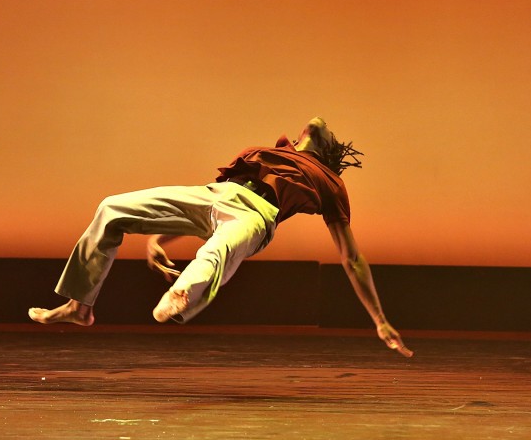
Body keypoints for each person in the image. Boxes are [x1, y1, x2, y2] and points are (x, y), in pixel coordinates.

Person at [29, 117, 413, 357]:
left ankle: (182, 295)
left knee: (219, 249)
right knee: (112, 208)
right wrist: (160, 238)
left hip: (257, 215)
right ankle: (80, 306)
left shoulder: (329, 181)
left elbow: (352, 257)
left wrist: (379, 319)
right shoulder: (266, 152)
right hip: (216, 195)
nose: (317, 121)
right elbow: (202, 213)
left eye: (326, 129)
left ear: (329, 151)